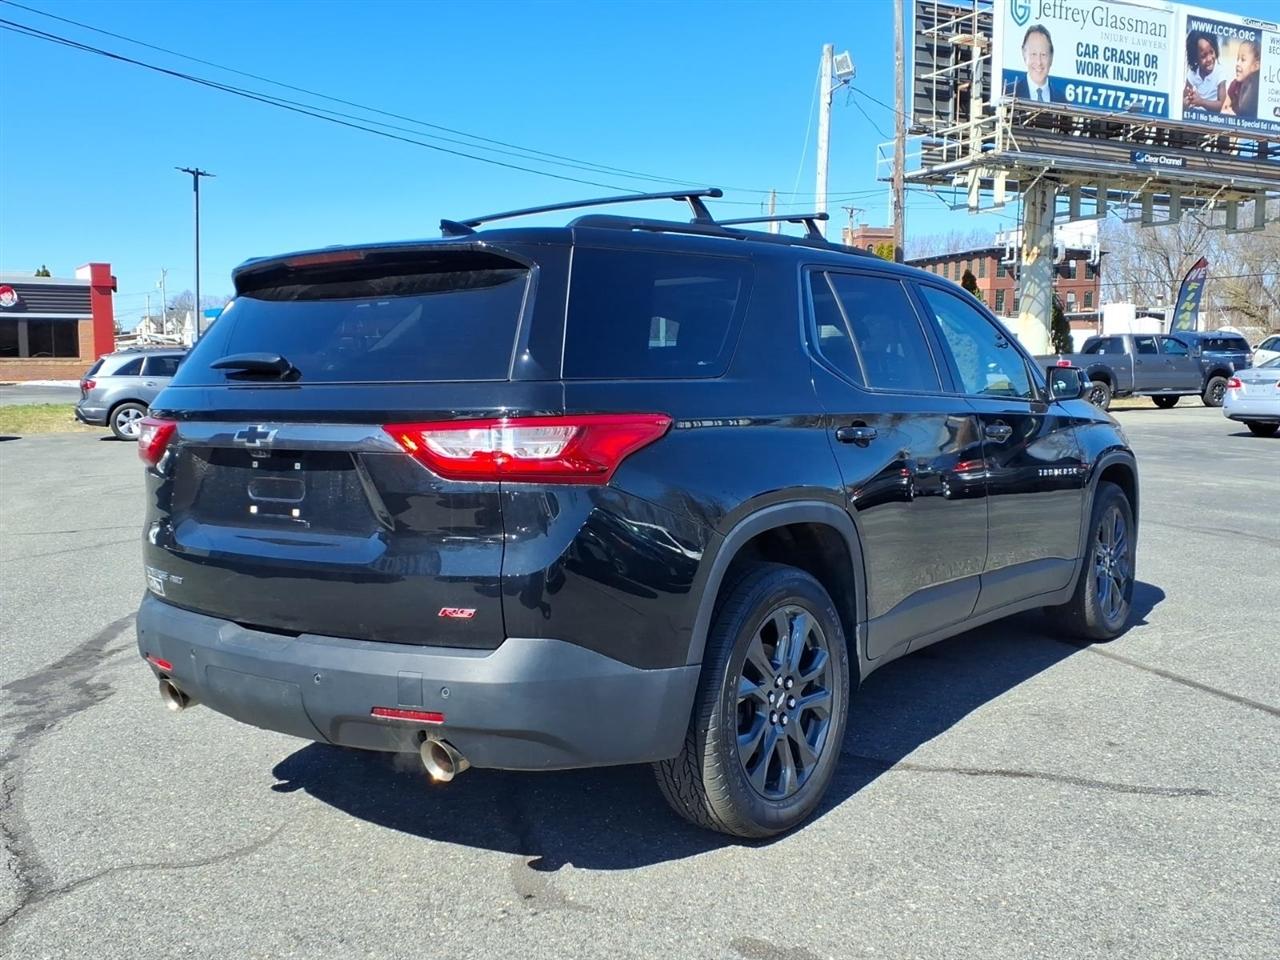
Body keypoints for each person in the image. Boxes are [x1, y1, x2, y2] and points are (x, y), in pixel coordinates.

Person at [1012, 25, 1061, 103]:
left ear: (1051, 57)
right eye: (1033, 54)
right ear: (1024, 54)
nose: (1039, 62)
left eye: (1043, 54)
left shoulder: (1062, 100)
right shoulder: (1008, 94)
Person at [1183, 30, 1228, 113]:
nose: (1209, 59)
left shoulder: (1220, 72)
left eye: (1212, 52)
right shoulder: (1193, 73)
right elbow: (1183, 100)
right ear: (1195, 58)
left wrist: (1201, 102)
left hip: (1212, 119)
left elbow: (1221, 105)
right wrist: (1188, 100)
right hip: (1195, 116)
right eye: (1203, 56)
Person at [1222, 39, 1261, 119]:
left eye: (1243, 60)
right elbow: (1223, 110)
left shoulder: (1259, 91)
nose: (1237, 64)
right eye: (1237, 59)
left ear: (1256, 66)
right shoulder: (1234, 84)